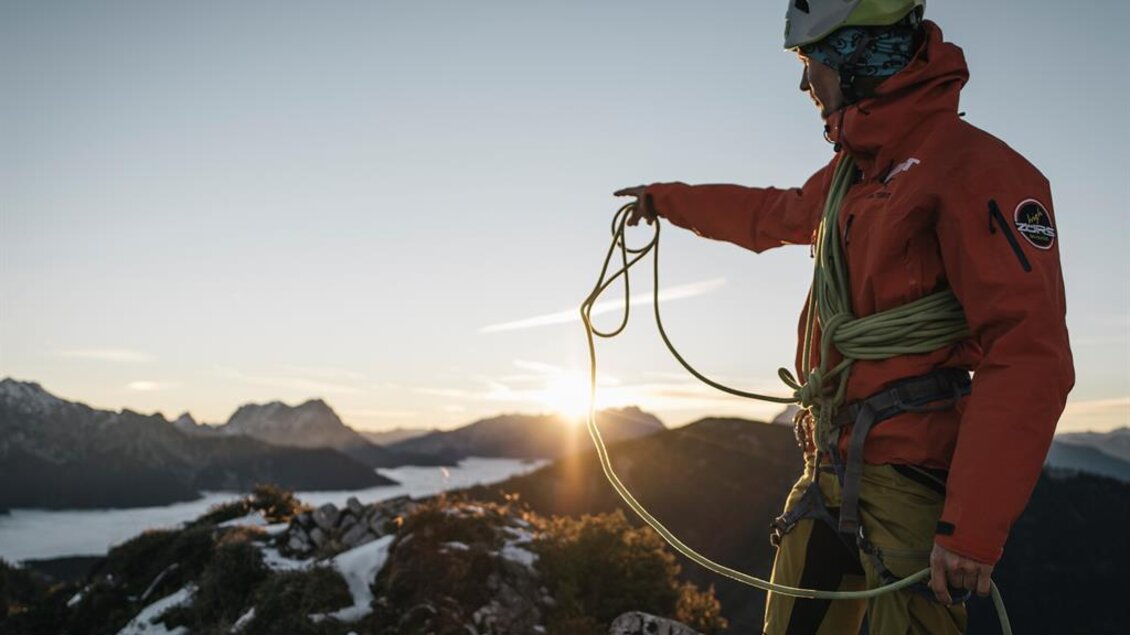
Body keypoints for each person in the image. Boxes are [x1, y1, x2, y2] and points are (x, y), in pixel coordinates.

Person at [614, 1, 1074, 633]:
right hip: (829, 464)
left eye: (811, 63)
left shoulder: (981, 172)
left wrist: (972, 530)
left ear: (857, 56)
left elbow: (1029, 355)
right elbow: (771, 215)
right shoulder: (852, 174)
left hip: (912, 485)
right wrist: (665, 201)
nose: (805, 84)